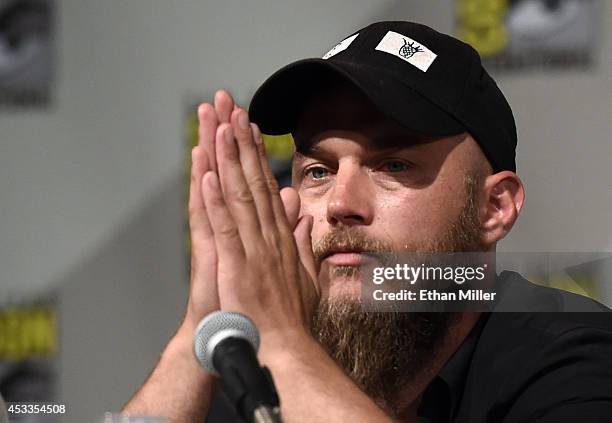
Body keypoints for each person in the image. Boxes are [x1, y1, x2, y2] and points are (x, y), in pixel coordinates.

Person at [122, 21, 612, 422]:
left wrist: (287, 347)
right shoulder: (259, 370)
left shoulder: (574, 357)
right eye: (318, 171)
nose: (340, 203)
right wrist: (200, 333)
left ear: (494, 209)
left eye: (393, 166)